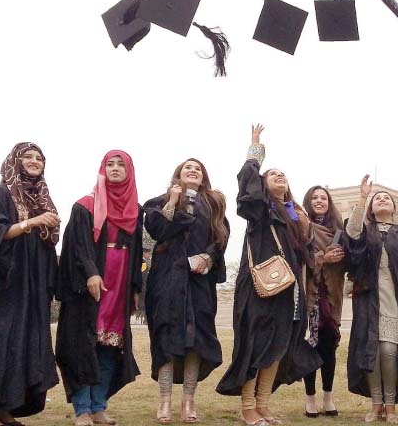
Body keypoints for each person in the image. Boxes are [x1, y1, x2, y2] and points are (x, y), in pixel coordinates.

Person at [217, 125, 321, 426]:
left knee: (278, 346)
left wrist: (304, 227)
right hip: (261, 289)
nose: (280, 177)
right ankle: (247, 407)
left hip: (289, 291)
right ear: (262, 183)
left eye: (283, 175)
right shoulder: (260, 210)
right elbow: (247, 191)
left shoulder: (293, 214)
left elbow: (307, 253)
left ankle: (263, 406)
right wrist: (255, 152)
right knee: (256, 344)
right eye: (272, 174)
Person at [0, 143, 61, 426]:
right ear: (14, 161)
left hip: (30, 288)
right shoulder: (0, 193)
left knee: (21, 346)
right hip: (2, 288)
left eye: (39, 157)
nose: (35, 161)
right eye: (28, 156)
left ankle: (6, 407)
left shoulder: (42, 197)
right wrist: (28, 224)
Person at [55, 151, 144, 426]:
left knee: (109, 346)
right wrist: (91, 274)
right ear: (102, 169)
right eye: (110, 164)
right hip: (90, 285)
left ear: (129, 171)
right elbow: (78, 245)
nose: (115, 168)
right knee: (85, 345)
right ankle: (82, 409)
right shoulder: (85, 206)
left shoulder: (135, 210)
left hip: (119, 283)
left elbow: (138, 250)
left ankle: (98, 407)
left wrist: (135, 287)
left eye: (121, 164)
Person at [144, 157, 230, 424]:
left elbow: (221, 238)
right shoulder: (158, 202)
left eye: (198, 169)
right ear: (177, 175)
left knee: (197, 342)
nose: (193, 171)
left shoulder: (213, 204)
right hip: (167, 280)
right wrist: (172, 201)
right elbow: (156, 230)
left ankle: (188, 401)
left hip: (199, 283)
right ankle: (165, 401)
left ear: (203, 177)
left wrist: (208, 257)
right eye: (187, 168)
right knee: (167, 339)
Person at [346, 177, 398, 424]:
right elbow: (351, 234)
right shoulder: (364, 231)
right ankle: (376, 404)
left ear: (394, 208)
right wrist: (362, 197)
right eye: (377, 199)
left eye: (386, 198)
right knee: (371, 352)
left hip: (396, 301)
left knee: (389, 351)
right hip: (368, 302)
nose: (381, 199)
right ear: (371, 209)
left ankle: (391, 406)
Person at [302, 185, 347, 418]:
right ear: (308, 201)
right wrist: (323, 257)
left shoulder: (338, 229)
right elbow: (299, 258)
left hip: (331, 297)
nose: (319, 201)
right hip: (310, 295)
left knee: (329, 349)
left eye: (324, 198)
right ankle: (310, 400)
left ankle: (328, 398)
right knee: (310, 348)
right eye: (315, 197)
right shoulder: (300, 225)